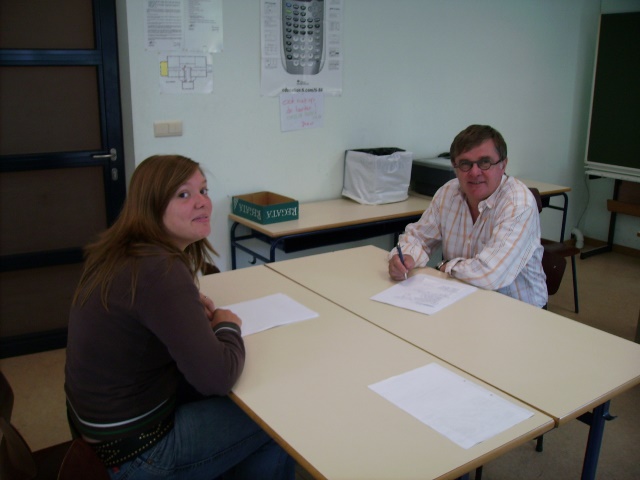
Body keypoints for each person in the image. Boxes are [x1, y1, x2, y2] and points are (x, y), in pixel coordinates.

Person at [65, 155, 294, 479]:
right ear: (151, 206)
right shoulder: (159, 270)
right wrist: (227, 325)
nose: (203, 202)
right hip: (138, 454)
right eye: (184, 194)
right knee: (276, 415)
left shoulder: (122, 251)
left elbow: (139, 314)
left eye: (203, 190)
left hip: (97, 429)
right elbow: (216, 378)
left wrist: (183, 309)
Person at [389, 124, 547, 307]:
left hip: (518, 309)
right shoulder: (448, 193)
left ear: (503, 165)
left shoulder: (518, 203)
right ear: (455, 166)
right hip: (461, 297)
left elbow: (490, 275)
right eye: (465, 164)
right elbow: (418, 238)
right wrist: (405, 257)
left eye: (485, 162)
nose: (474, 172)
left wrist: (445, 266)